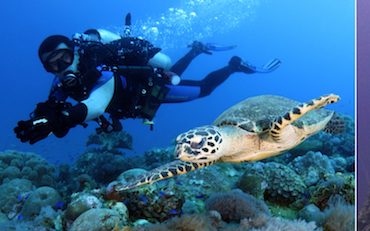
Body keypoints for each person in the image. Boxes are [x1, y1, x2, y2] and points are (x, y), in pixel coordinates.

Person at [15, 18, 280, 144]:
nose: (60, 69)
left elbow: (95, 106)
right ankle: (196, 50)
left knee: (203, 89)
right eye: (52, 66)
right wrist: (42, 121)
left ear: (75, 52)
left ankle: (234, 66)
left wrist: (61, 119)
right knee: (172, 74)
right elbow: (53, 105)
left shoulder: (102, 70)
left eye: (63, 59)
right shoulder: (60, 83)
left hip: (150, 91)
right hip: (141, 91)